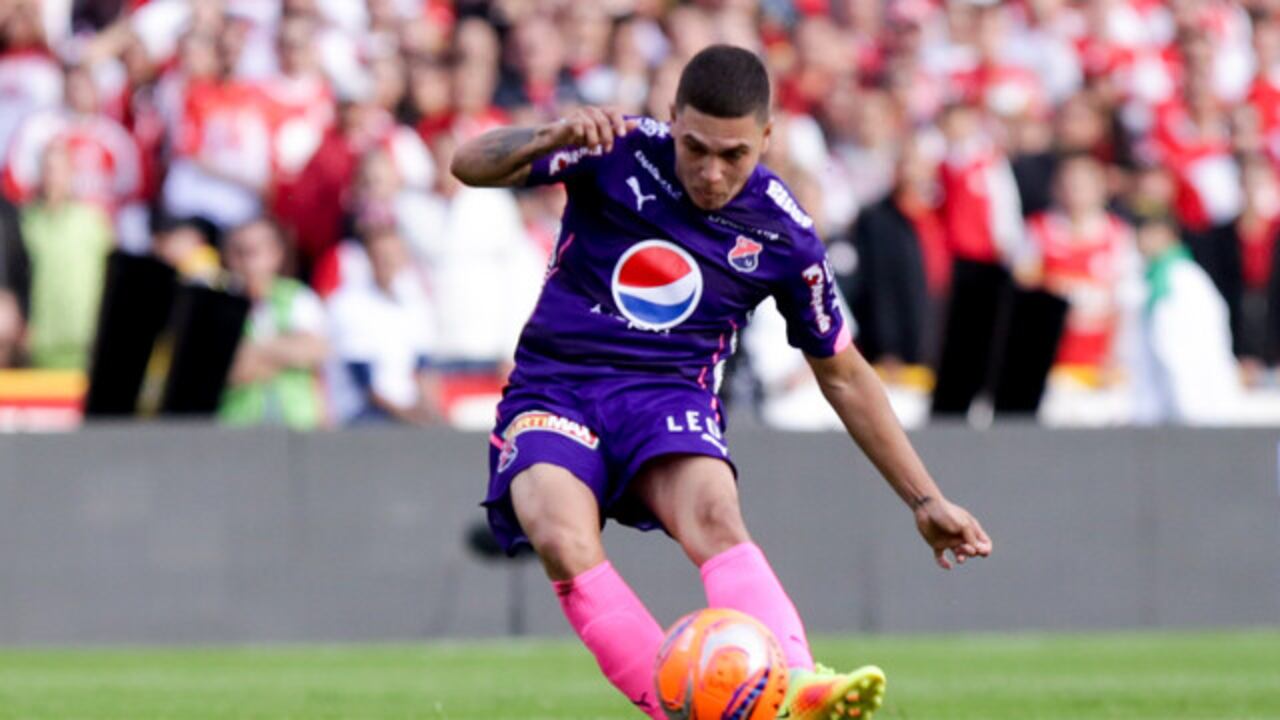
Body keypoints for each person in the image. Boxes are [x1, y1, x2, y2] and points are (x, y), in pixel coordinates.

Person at [451, 45, 992, 720]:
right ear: (672, 119)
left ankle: (796, 687)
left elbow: (846, 376)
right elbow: (468, 164)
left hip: (666, 398)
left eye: (733, 155)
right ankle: (677, 708)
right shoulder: (616, 149)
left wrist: (924, 499)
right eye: (695, 148)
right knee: (560, 535)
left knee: (715, 515)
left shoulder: (784, 233)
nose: (711, 173)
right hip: (557, 388)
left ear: (766, 137)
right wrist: (549, 136)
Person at [219, 218, 328, 429]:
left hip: (297, 428)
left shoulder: (298, 296)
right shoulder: (218, 301)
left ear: (276, 254)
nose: (247, 262)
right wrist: (285, 352)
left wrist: (253, 351)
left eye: (254, 252)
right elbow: (227, 369)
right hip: (238, 427)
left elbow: (315, 350)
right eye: (239, 252)